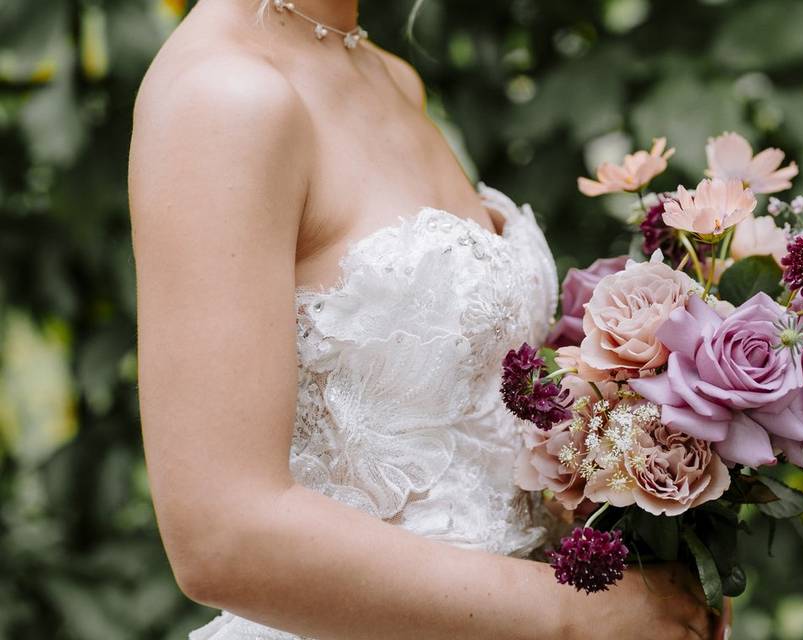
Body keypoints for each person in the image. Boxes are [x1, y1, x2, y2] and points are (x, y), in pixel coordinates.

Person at [128, 0, 715, 637]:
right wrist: (580, 616)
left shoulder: (384, 71)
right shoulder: (223, 98)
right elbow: (224, 538)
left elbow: (472, 438)